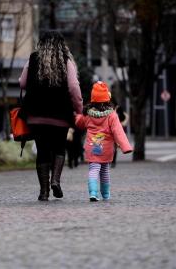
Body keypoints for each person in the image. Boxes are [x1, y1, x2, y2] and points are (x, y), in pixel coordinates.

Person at [19, 31, 83, 201]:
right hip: (60, 116)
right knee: (59, 148)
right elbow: (74, 87)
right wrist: (79, 109)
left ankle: (44, 191)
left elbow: (22, 83)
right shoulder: (66, 60)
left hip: (36, 115)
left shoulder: (33, 59)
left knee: (43, 151)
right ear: (62, 44)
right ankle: (55, 180)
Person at [75, 81, 132, 202]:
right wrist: (125, 147)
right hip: (106, 149)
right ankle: (105, 194)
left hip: (92, 147)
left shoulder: (87, 114)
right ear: (107, 98)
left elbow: (79, 123)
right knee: (105, 170)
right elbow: (118, 132)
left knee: (93, 169)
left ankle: (93, 193)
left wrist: (77, 115)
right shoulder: (112, 115)